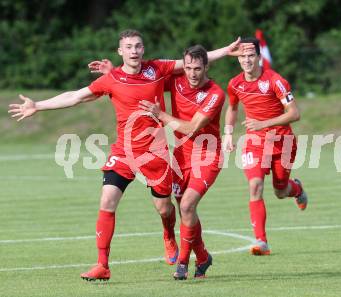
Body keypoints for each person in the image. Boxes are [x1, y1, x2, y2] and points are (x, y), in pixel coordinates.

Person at [8, 29, 246, 281]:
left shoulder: (157, 69)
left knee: (165, 209)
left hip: (156, 154)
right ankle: (102, 265)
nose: (134, 51)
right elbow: (76, 96)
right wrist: (39, 105)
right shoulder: (112, 79)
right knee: (107, 200)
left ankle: (168, 235)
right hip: (123, 151)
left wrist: (225, 51)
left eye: (138, 46)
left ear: (143, 49)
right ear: (120, 51)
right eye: (129, 47)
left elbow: (195, 61)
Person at [140, 45, 224, 280]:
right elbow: (145, 80)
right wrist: (112, 71)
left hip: (207, 156)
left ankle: (183, 264)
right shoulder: (176, 80)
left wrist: (161, 115)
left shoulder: (215, 93)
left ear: (206, 67)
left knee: (187, 206)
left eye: (197, 68)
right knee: (186, 211)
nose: (192, 73)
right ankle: (203, 257)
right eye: (187, 68)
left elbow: (190, 127)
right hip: (180, 157)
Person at [222, 37, 308, 256]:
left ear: (259, 57)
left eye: (251, 55)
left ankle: (296, 188)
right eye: (243, 56)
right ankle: (261, 242)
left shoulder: (275, 81)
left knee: (281, 191)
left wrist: (264, 123)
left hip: (283, 142)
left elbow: (294, 113)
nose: (247, 60)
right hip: (255, 142)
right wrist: (228, 134)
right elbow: (232, 108)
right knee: (255, 186)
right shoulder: (234, 83)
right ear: (238, 59)